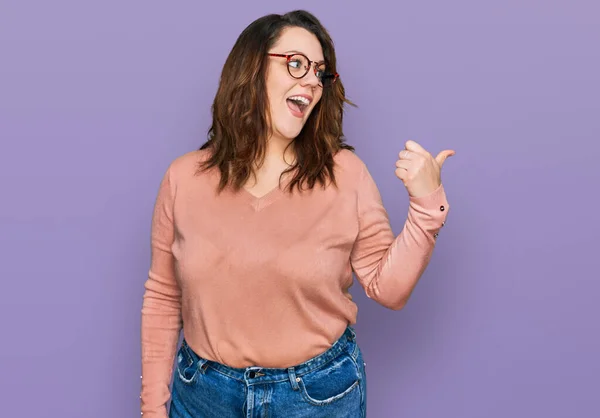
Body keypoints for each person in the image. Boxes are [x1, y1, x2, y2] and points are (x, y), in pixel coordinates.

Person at [140, 9, 453, 418]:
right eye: (296, 64)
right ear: (252, 68)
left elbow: (388, 289)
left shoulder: (345, 175)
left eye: (320, 72)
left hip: (315, 399)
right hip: (203, 397)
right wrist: (152, 410)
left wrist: (428, 207)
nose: (311, 81)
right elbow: (164, 298)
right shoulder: (183, 178)